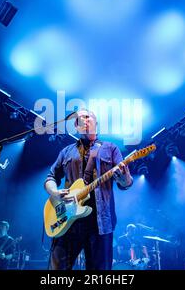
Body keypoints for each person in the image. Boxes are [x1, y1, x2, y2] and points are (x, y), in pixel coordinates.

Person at [44, 109, 133, 270]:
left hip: (100, 223)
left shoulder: (110, 149)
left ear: (96, 123)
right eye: (79, 119)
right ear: (76, 126)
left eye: (87, 116)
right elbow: (50, 178)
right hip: (67, 221)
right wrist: (55, 192)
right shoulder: (66, 152)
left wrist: (124, 176)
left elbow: (125, 184)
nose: (83, 120)